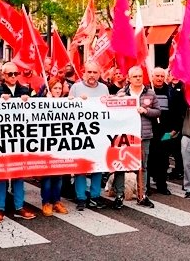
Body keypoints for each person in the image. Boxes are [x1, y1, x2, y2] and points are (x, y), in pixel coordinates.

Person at [0, 62, 35, 222]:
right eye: (10, 74)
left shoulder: (25, 91)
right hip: (1, 140)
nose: (14, 76)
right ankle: (0, 208)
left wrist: (30, 102)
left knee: (18, 176)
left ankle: (19, 207)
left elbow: (35, 114)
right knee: (1, 176)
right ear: (3, 75)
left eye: (16, 73)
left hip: (20, 140)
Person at [112, 66, 161, 209]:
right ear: (129, 78)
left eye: (140, 76)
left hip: (143, 135)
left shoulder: (150, 93)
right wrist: (117, 100)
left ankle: (142, 195)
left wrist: (146, 111)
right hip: (125, 135)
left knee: (143, 166)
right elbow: (114, 112)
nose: (138, 79)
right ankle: (119, 195)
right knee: (121, 165)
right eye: (135, 76)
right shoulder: (122, 92)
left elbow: (158, 112)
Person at [68, 62, 108, 211]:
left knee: (98, 165)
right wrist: (73, 100)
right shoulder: (76, 87)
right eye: (89, 72)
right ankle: (81, 198)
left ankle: (95, 196)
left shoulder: (104, 88)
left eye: (94, 72)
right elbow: (67, 108)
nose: (92, 75)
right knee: (81, 167)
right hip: (81, 133)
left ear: (99, 74)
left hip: (98, 133)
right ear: (84, 73)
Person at [39, 77, 69, 216]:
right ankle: (46, 202)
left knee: (58, 176)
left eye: (59, 88)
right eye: (55, 88)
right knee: (47, 176)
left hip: (60, 144)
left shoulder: (65, 102)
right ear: (49, 89)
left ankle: (56, 201)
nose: (57, 91)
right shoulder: (42, 102)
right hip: (46, 144)